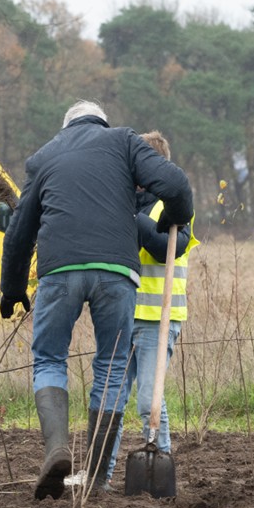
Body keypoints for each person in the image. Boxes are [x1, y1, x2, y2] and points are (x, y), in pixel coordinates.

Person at [0, 100, 193, 501]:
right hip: (116, 273)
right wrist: (172, 216)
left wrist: (13, 288)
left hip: (59, 270)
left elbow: (19, 231)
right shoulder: (123, 141)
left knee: (50, 359)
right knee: (111, 366)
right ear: (102, 122)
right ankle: (98, 477)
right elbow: (175, 186)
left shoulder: (45, 155)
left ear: (65, 127)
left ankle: (57, 449)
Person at [101, 131, 197, 490]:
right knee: (112, 399)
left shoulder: (172, 206)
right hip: (123, 315)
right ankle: (103, 474)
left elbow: (162, 248)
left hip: (158, 317)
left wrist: (131, 218)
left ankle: (161, 468)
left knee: (148, 400)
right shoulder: (124, 203)